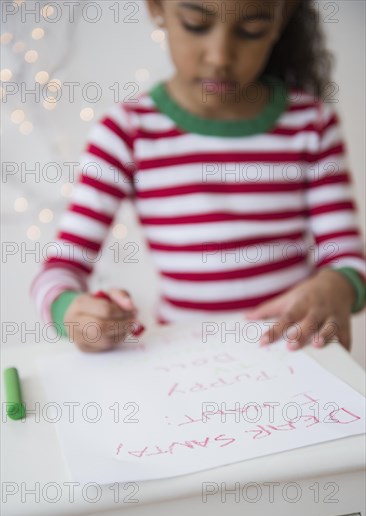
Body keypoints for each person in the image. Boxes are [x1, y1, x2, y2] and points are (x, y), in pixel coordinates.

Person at [30, 0, 366, 353]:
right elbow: (60, 269)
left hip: (292, 355)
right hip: (184, 363)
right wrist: (71, 312)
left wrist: (337, 286)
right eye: (195, 24)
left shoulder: (312, 125)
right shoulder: (128, 131)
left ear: (280, 21)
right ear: (157, 9)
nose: (220, 57)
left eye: (252, 31)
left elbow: (347, 259)